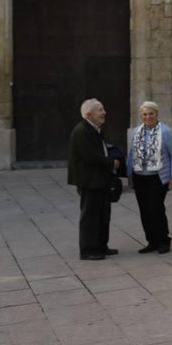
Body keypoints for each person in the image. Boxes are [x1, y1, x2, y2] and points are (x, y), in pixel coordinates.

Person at [67, 98, 119, 261]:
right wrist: (112, 162)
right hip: (89, 180)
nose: (104, 113)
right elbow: (89, 156)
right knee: (90, 216)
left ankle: (101, 245)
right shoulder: (81, 131)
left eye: (103, 109)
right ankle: (88, 250)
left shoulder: (96, 129)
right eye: (100, 110)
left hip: (100, 179)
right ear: (89, 114)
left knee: (103, 214)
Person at [126, 101, 172, 254]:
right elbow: (131, 154)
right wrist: (130, 175)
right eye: (144, 114)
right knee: (144, 210)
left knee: (156, 208)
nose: (148, 117)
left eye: (151, 114)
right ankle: (151, 241)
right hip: (139, 176)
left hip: (158, 177)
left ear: (156, 114)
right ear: (141, 116)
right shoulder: (136, 132)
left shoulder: (165, 131)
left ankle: (164, 240)